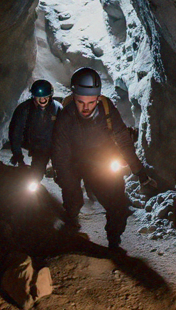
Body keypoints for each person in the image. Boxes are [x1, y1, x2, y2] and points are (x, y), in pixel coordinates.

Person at [51, 67, 156, 248]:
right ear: (74, 98)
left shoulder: (107, 110)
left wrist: (139, 172)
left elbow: (123, 140)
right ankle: (71, 227)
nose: (85, 107)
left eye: (91, 102)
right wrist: (66, 180)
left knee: (118, 205)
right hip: (74, 161)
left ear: (98, 98)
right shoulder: (66, 117)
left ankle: (113, 242)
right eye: (80, 102)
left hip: (99, 161)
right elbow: (60, 153)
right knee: (73, 200)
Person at [8, 79, 62, 181]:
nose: (42, 100)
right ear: (34, 96)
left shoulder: (57, 108)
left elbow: (65, 131)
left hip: (54, 146)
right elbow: (16, 132)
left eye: (45, 96)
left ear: (50, 96)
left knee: (63, 176)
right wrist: (18, 156)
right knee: (36, 175)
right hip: (38, 148)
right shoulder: (25, 109)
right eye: (39, 97)